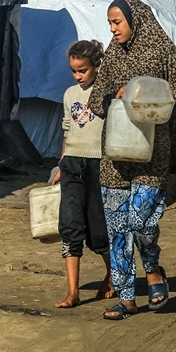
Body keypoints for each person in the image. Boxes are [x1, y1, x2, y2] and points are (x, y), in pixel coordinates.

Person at [89, 0, 176, 320]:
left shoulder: (162, 51)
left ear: (134, 20)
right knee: (117, 230)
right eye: (110, 23)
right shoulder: (112, 56)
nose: (113, 29)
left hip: (152, 155)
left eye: (117, 22)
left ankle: (153, 271)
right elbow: (96, 100)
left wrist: (155, 98)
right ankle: (126, 298)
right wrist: (113, 97)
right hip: (116, 155)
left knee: (141, 222)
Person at [53, 40, 114, 309]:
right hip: (72, 164)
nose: (78, 76)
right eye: (73, 71)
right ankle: (73, 292)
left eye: (83, 70)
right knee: (70, 224)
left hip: (98, 164)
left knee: (99, 227)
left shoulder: (107, 92)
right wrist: (61, 164)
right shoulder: (70, 94)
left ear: (96, 66)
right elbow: (67, 130)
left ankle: (112, 276)